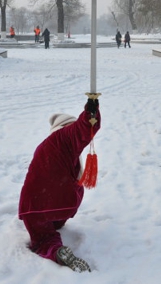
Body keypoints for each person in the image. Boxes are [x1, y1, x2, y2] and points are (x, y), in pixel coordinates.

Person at [18, 98, 101, 272]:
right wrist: (89, 113)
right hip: (54, 203)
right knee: (50, 228)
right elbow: (82, 129)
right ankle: (56, 244)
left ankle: (56, 251)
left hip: (32, 207)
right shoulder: (64, 137)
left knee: (44, 237)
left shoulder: (48, 145)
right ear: (66, 127)